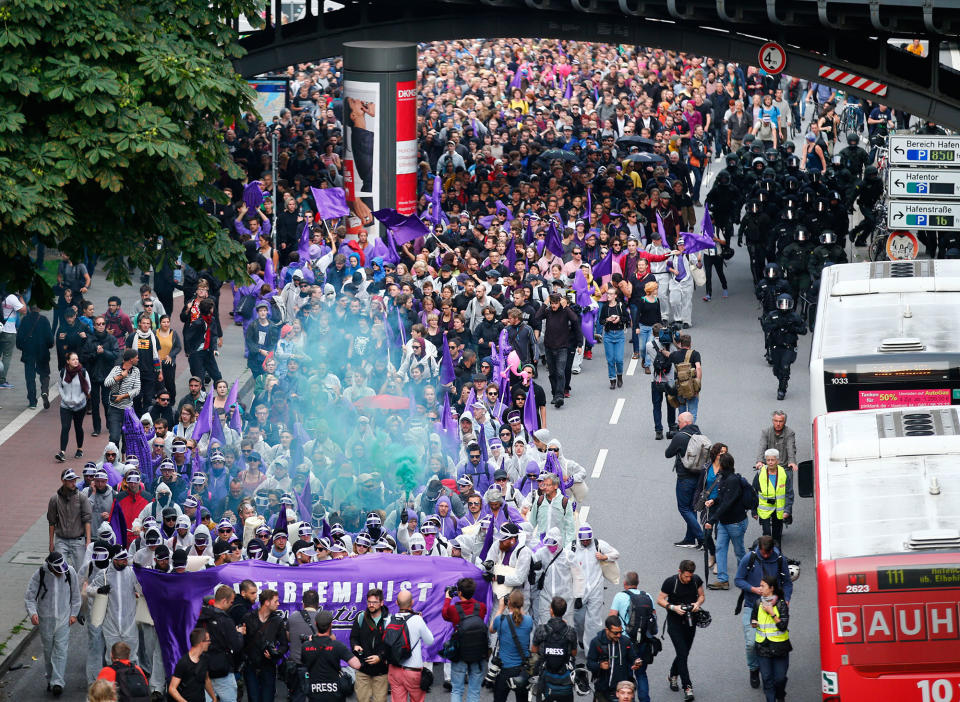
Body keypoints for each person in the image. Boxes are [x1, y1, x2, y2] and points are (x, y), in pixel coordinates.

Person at [734, 535, 794, 691]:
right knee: (751, 643)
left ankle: (772, 671)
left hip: (774, 607)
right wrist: (753, 589)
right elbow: (738, 580)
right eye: (763, 553)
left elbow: (787, 583)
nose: (766, 556)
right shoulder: (750, 558)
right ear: (759, 548)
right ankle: (754, 668)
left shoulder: (780, 559)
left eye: (768, 553)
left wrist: (785, 600)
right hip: (752, 605)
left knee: (775, 638)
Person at [24, 551, 81, 697]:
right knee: (48, 651)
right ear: (50, 566)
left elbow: (76, 594)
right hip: (45, 619)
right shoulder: (40, 574)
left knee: (61, 650)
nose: (59, 573)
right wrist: (33, 613)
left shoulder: (70, 572)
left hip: (64, 617)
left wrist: (74, 613)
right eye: (56, 570)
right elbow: (30, 596)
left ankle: (58, 682)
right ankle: (50, 678)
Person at [656, 560, 704, 701]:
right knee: (682, 653)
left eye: (690, 576)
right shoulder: (671, 582)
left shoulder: (696, 580)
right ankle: (687, 687)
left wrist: (697, 604)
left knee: (684, 652)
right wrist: (673, 607)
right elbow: (660, 600)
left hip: (690, 622)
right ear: (679, 572)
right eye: (686, 576)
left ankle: (672, 674)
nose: (689, 579)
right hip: (674, 623)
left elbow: (702, 596)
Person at [607, 572, 658, 702]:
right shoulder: (648, 596)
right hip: (644, 641)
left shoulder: (620, 596)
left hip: (625, 641)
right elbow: (653, 617)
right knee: (641, 673)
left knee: (626, 674)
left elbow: (612, 617)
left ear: (625, 584)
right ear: (638, 583)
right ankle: (644, 699)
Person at [87, 546, 140, 664]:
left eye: (126, 558)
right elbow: (89, 590)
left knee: (132, 657)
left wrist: (142, 574)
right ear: (114, 560)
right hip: (111, 625)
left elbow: (142, 591)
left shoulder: (132, 573)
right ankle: (111, 682)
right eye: (122, 559)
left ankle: (131, 680)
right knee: (111, 658)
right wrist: (99, 590)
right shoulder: (104, 574)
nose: (125, 561)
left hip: (130, 624)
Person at [570, 524, 619, 649]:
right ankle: (581, 639)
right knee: (579, 620)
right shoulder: (572, 547)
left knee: (594, 622)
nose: (586, 542)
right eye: (583, 540)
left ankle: (591, 650)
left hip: (596, 589)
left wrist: (605, 557)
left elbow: (616, 554)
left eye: (588, 540)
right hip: (579, 591)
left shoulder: (599, 544)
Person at [703, 453, 748, 591]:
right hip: (725, 521)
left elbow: (727, 503)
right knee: (720, 548)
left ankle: (745, 576)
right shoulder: (724, 478)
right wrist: (714, 500)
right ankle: (723, 580)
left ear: (723, 465)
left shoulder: (732, 480)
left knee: (739, 550)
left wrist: (712, 519)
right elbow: (723, 497)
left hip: (735, 523)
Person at [196, 583, 245, 702]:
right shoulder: (226, 620)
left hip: (203, 667)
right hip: (222, 670)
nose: (232, 604)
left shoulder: (199, 617)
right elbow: (236, 645)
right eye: (231, 602)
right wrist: (239, 633)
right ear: (224, 601)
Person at [442, 577, 488, 702]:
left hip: (460, 652)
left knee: (457, 689)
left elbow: (445, 614)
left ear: (459, 593)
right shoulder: (481, 607)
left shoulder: (453, 609)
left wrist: (448, 598)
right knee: (474, 690)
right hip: (478, 652)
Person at [301, 610, 363, 701]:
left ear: (315, 624)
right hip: (334, 694)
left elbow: (304, 662)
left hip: (314, 693)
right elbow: (357, 664)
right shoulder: (337, 645)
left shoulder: (306, 646)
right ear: (331, 625)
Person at [531, 294, 580, 408]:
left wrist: (566, 307)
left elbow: (575, 319)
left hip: (562, 347)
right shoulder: (548, 311)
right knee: (552, 373)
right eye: (552, 303)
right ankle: (555, 394)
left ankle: (559, 395)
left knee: (560, 372)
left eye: (555, 303)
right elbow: (537, 317)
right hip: (549, 347)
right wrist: (544, 303)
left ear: (560, 302)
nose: (553, 305)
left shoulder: (565, 311)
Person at [664, 413, 705, 549]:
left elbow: (668, 453)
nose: (678, 424)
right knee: (691, 508)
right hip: (698, 477)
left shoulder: (680, 436)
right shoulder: (700, 434)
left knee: (683, 508)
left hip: (685, 478)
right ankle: (690, 538)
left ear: (686, 423)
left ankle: (702, 537)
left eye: (679, 422)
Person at [386, 589, 435, 702]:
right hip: (413, 670)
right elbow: (430, 641)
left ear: (397, 603)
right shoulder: (417, 620)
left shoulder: (389, 619)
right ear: (412, 603)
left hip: (394, 669)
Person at [242, 588, 289, 702]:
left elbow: (284, 645)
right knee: (253, 698)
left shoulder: (278, 621)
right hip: (250, 666)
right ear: (267, 602)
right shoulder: (248, 618)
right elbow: (241, 644)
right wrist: (241, 635)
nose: (278, 603)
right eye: (276, 601)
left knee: (268, 699)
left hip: (268, 666)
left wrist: (276, 654)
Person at [751, 575, 792, 702]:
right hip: (763, 647)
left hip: (779, 648)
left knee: (780, 679)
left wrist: (772, 613)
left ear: (772, 588)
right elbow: (753, 618)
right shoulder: (758, 603)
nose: (760, 588)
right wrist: (753, 622)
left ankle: (780, 695)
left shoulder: (781, 605)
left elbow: (783, 626)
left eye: (763, 586)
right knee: (767, 680)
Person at [585, 615, 643, 702]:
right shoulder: (596, 642)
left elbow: (634, 658)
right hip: (603, 690)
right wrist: (599, 666)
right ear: (607, 630)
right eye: (616, 633)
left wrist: (637, 662)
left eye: (620, 631)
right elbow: (589, 664)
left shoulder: (626, 642)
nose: (619, 635)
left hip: (623, 691)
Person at [530, 597, 577, 702]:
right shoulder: (571, 631)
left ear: (551, 610)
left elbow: (534, 650)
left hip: (545, 675)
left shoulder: (541, 629)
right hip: (564, 678)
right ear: (564, 611)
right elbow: (574, 653)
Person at [760, 294, 807, 400]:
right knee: (777, 370)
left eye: (787, 304)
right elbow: (765, 327)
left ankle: (782, 389)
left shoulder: (794, 316)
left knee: (785, 367)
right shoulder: (773, 315)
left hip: (789, 347)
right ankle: (782, 378)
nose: (784, 306)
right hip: (776, 346)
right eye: (782, 304)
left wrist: (791, 328)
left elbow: (804, 330)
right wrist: (777, 326)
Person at [489, 590, 532, 702]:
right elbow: (520, 617)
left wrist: (500, 608)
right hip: (522, 669)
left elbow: (491, 630)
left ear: (509, 603)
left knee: (499, 698)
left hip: (505, 668)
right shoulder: (529, 620)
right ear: (522, 604)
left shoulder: (500, 619)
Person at [47, 467, 92, 574]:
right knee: (58, 569)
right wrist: (51, 542)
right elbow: (51, 522)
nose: (73, 483)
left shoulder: (82, 497)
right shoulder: (55, 499)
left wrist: (88, 541)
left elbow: (87, 519)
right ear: (63, 481)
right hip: (61, 540)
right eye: (70, 480)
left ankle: (77, 590)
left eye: (74, 480)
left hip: (78, 541)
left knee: (81, 571)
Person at [350, 588, 390, 702]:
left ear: (381, 603)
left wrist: (380, 657)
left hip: (381, 671)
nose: (371, 605)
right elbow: (353, 637)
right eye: (369, 602)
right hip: (363, 669)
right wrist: (355, 646)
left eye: (374, 602)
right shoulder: (361, 617)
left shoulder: (389, 620)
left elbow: (391, 645)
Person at [752, 449, 794, 547]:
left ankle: (777, 555)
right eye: (768, 460)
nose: (770, 462)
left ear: (777, 461)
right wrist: (754, 510)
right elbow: (754, 493)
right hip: (764, 509)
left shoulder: (784, 474)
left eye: (773, 460)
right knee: (766, 536)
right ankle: (766, 557)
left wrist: (787, 510)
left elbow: (789, 493)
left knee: (777, 537)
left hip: (778, 510)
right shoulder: (760, 474)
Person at [16, 303, 54, 409]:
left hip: (29, 354)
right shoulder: (44, 320)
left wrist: (23, 348)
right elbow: (50, 340)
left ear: (29, 308)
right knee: (45, 374)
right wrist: (48, 346)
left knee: (30, 377)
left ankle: (32, 401)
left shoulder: (25, 320)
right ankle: (44, 391)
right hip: (42, 353)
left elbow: (18, 340)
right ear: (39, 308)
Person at [56, 351, 91, 462]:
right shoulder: (63, 372)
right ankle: (62, 452)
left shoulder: (83, 372)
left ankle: (79, 449)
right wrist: (65, 398)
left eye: (77, 359)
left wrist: (79, 399)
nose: (76, 361)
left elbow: (88, 387)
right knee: (65, 427)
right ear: (68, 361)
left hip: (79, 406)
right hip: (65, 405)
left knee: (78, 427)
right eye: (73, 359)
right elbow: (60, 386)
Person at [103, 349, 141, 445]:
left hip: (128, 410)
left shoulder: (136, 371)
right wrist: (120, 376)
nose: (138, 359)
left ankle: (124, 457)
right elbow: (106, 383)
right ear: (131, 360)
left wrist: (123, 396)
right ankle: (114, 458)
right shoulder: (116, 369)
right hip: (114, 409)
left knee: (127, 439)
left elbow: (137, 389)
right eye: (137, 358)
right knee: (114, 438)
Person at [169, 627, 216, 702]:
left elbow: (206, 679)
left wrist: (214, 698)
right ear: (201, 642)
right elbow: (172, 688)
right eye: (208, 640)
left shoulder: (205, 659)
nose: (209, 643)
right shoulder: (183, 662)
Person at [599, 287, 630, 389]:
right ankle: (612, 380)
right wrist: (608, 319)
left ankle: (619, 376)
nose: (608, 295)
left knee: (619, 359)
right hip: (608, 335)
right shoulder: (604, 307)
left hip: (619, 334)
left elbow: (627, 319)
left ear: (615, 296)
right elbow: (601, 321)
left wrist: (619, 319)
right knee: (610, 360)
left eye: (611, 294)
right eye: (608, 294)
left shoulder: (620, 305)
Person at [665, 334, 702, 421]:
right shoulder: (695, 354)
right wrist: (698, 384)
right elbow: (698, 368)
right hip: (692, 387)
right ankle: (690, 431)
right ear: (690, 344)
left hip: (680, 388)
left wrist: (663, 351)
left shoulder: (675, 355)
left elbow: (668, 355)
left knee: (681, 411)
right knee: (692, 412)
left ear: (680, 344)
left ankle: (682, 430)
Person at [0, 290, 25, 388]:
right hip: (9, 331)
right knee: (6, 356)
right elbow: (24, 310)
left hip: (0, 329)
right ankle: (1, 381)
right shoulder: (12, 297)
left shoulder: (2, 296)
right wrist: (21, 297)